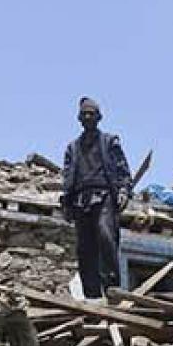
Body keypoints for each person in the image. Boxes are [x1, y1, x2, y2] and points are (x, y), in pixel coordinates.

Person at [60, 96, 132, 301]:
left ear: (99, 117)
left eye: (92, 113)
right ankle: (91, 295)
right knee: (84, 248)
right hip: (80, 200)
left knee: (105, 236)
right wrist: (66, 202)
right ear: (79, 118)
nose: (88, 117)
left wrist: (124, 191)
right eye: (85, 114)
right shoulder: (73, 148)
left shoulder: (109, 142)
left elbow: (122, 170)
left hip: (104, 196)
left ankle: (112, 288)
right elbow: (67, 178)